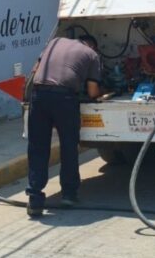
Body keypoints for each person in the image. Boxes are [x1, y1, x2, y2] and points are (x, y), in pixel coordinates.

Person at [25, 34, 103, 217]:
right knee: (68, 146)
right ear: (92, 45)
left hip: (39, 96)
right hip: (65, 99)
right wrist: (102, 90)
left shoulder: (54, 42)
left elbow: (35, 70)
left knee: (38, 147)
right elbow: (92, 92)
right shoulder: (91, 54)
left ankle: (35, 199)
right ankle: (68, 194)